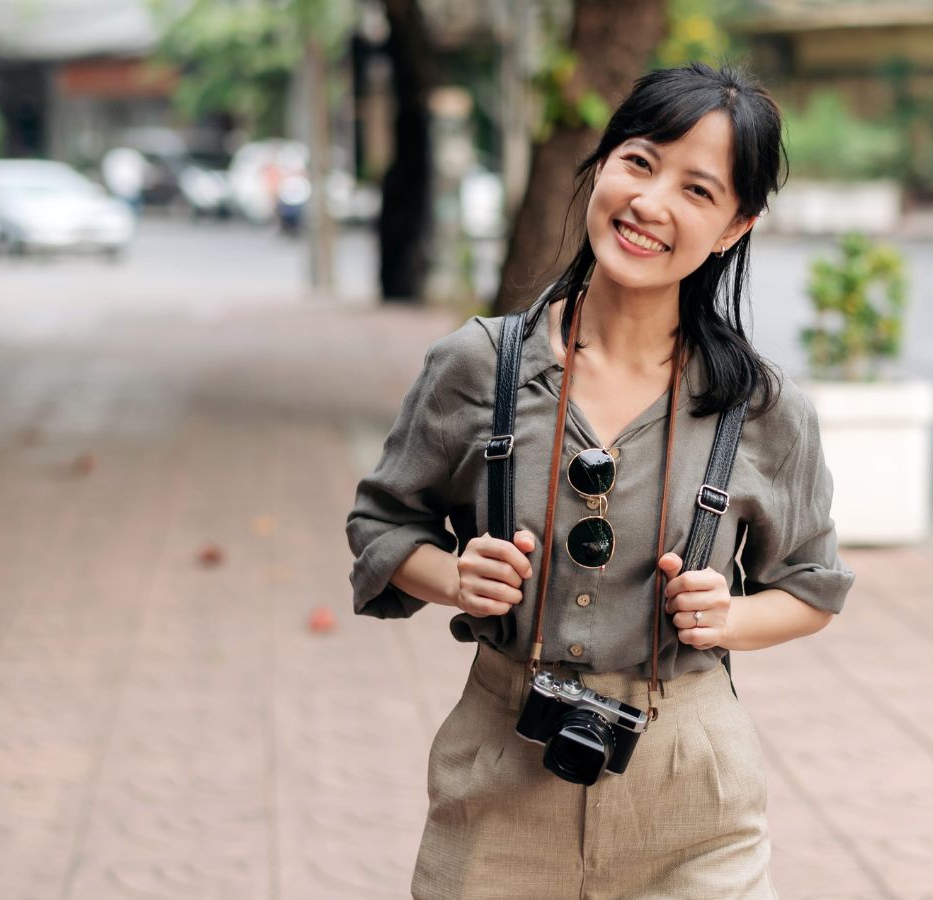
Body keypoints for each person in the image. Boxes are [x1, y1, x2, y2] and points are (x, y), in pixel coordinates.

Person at [346, 63, 853, 899]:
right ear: (603, 164)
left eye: (698, 190)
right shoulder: (480, 365)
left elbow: (811, 587)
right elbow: (381, 524)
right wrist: (454, 576)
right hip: (502, 772)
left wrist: (727, 616)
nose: (652, 205)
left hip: (691, 790)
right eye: (640, 162)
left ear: (734, 226)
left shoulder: (760, 407)